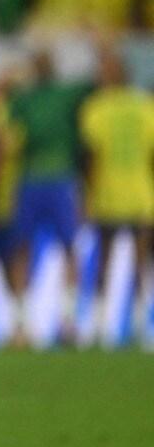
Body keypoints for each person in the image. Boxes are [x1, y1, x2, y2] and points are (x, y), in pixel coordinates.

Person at [2, 50, 90, 301]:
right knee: (21, 247)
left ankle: (69, 317)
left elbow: (95, 83)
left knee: (69, 247)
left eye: (45, 60)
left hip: (60, 178)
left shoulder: (67, 94)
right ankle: (20, 320)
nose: (41, 66)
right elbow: (3, 98)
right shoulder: (24, 99)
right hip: (30, 178)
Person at [78, 50, 154, 311]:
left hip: (109, 195)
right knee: (137, 266)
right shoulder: (146, 107)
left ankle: (104, 325)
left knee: (108, 265)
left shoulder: (96, 108)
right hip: (140, 195)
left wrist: (86, 194)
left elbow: (91, 157)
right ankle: (136, 327)